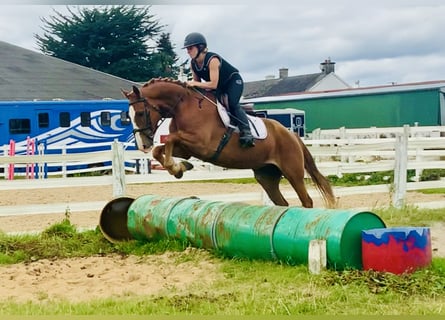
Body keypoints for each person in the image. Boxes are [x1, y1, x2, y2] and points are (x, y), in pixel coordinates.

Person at [183, 32, 255, 148]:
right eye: (187, 49)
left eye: (190, 48)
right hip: (219, 86)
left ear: (200, 47)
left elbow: (213, 84)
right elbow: (198, 85)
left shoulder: (212, 60)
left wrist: (193, 83)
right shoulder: (193, 64)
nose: (188, 51)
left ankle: (247, 132)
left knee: (231, 103)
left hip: (233, 82)